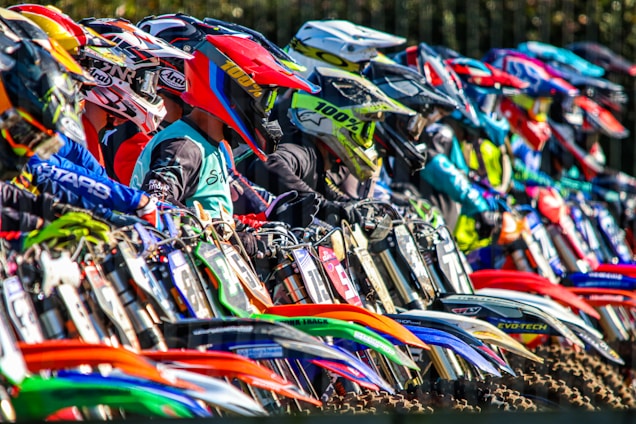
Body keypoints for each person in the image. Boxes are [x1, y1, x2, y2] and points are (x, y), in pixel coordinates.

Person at [129, 32, 319, 251]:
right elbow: (157, 201)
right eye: (263, 101)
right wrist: (238, 240)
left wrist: (259, 228)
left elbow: (215, 216)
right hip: (173, 266)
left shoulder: (212, 145)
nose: (266, 112)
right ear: (234, 93)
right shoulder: (185, 146)